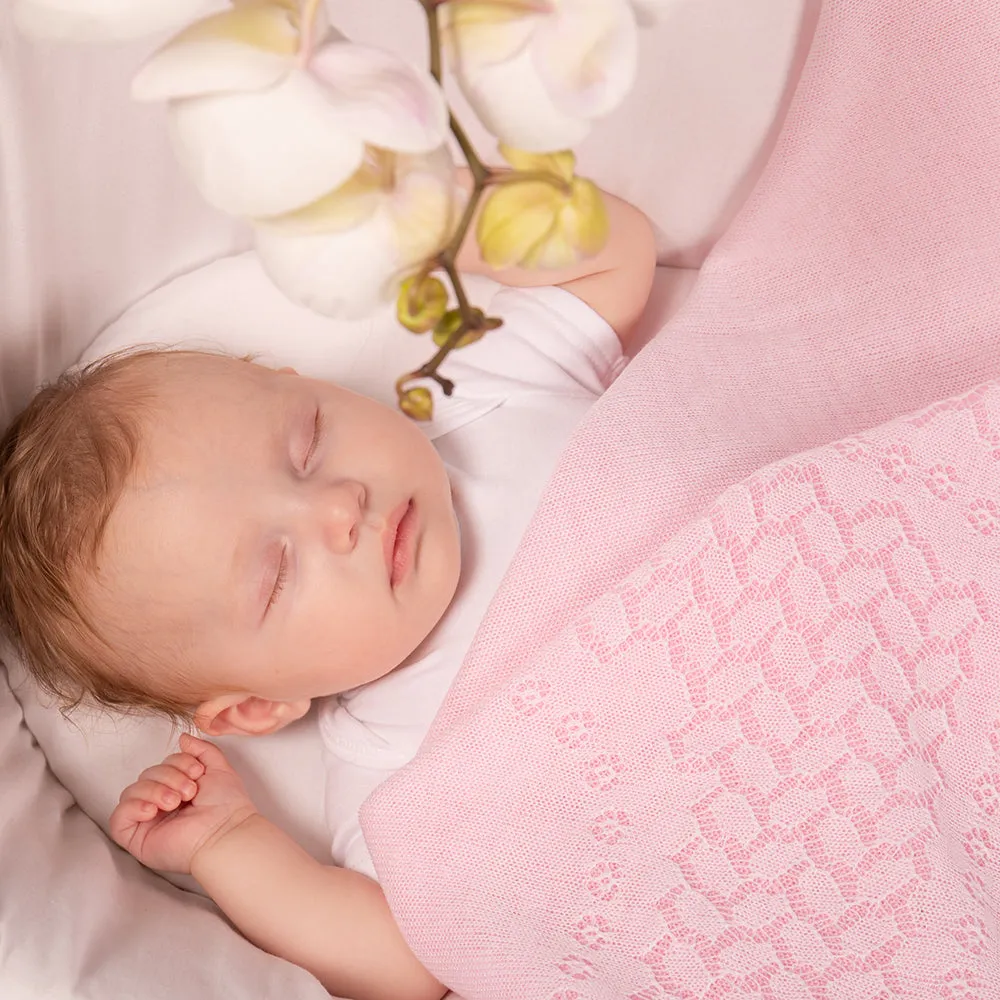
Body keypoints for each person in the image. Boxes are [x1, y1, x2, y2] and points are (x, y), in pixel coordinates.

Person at [0, 183, 656, 1000]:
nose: (339, 508)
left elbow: (617, 259)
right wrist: (233, 845)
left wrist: (445, 223)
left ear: (300, 380)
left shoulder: (487, 391)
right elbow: (411, 962)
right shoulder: (390, 765)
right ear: (255, 708)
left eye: (307, 442)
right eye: (278, 572)